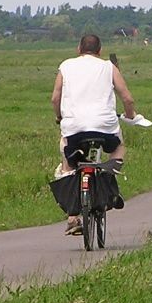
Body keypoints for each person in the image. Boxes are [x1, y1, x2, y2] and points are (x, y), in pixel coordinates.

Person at [51, 34, 137, 234]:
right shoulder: (109, 67)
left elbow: (55, 98)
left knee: (67, 157)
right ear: (100, 50)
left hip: (74, 128)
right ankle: (108, 175)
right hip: (104, 126)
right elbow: (128, 98)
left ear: (78, 48)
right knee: (118, 146)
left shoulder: (66, 66)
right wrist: (131, 116)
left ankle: (73, 218)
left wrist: (59, 117)